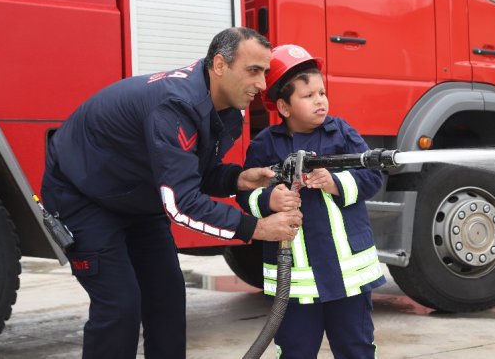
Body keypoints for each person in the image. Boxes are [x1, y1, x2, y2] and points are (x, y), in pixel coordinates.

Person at [40, 27, 302, 359]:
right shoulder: (175, 105)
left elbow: (192, 173)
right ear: (220, 65)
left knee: (166, 297)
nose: (262, 84)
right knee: (120, 306)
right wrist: (257, 228)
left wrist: (238, 179)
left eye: (265, 72)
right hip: (82, 195)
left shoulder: (227, 110)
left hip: (135, 197)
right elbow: (181, 205)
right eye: (253, 70)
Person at [236, 44, 386, 358]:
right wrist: (269, 200)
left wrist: (336, 182)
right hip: (295, 284)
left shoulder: (341, 133)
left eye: (322, 92)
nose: (320, 101)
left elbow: (374, 177)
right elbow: (245, 195)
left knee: (356, 347)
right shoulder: (265, 144)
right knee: (295, 350)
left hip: (349, 278)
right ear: (284, 107)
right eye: (308, 96)